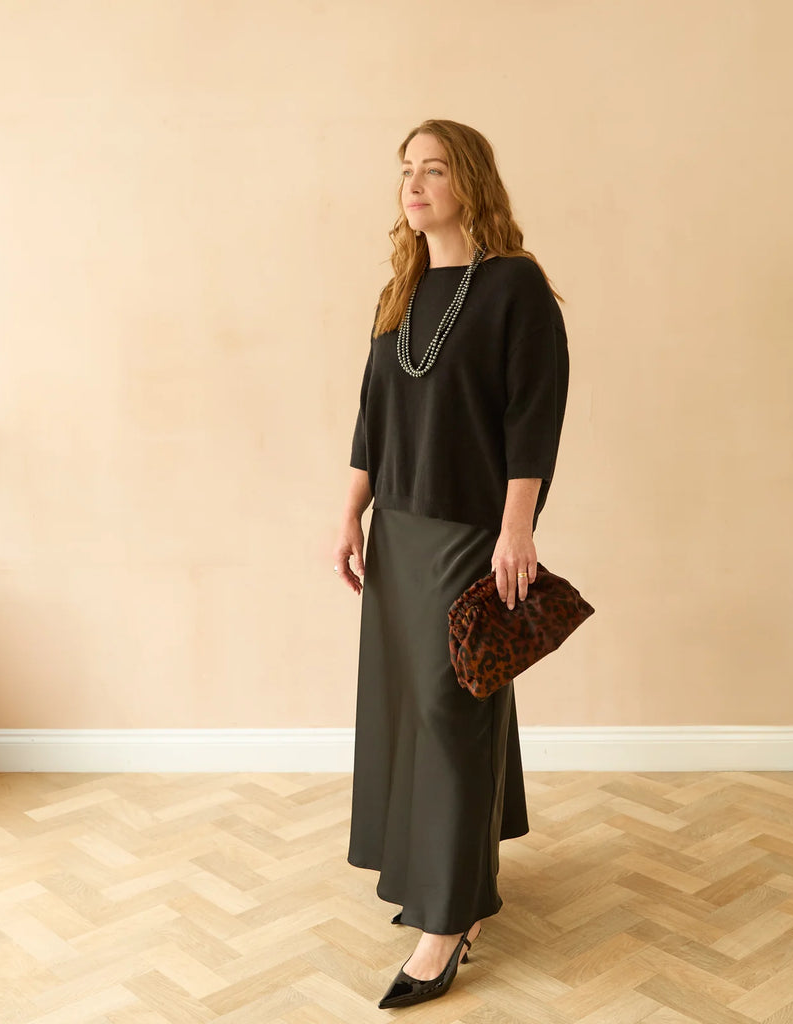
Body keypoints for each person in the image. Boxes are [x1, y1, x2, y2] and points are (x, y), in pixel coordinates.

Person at [331, 118, 570, 1009]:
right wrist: (350, 512)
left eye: (433, 169)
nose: (414, 183)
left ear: (469, 181)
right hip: (398, 529)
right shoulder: (398, 293)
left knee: (450, 706)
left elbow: (532, 414)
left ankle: (447, 920)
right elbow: (371, 415)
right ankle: (451, 882)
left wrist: (517, 529)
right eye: (406, 169)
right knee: (423, 710)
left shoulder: (514, 286)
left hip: (470, 529)